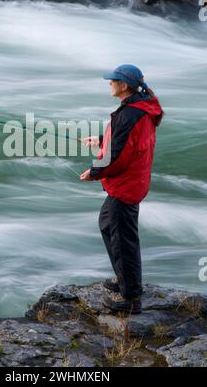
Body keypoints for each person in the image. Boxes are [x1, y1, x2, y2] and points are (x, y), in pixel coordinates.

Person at [80, 64, 164, 314]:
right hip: (133, 181)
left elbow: (117, 158)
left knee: (123, 239)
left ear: (124, 85)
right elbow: (129, 142)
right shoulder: (140, 108)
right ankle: (125, 279)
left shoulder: (130, 114)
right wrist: (102, 140)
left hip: (126, 185)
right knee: (108, 224)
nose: (109, 83)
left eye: (112, 80)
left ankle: (131, 298)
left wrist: (93, 173)